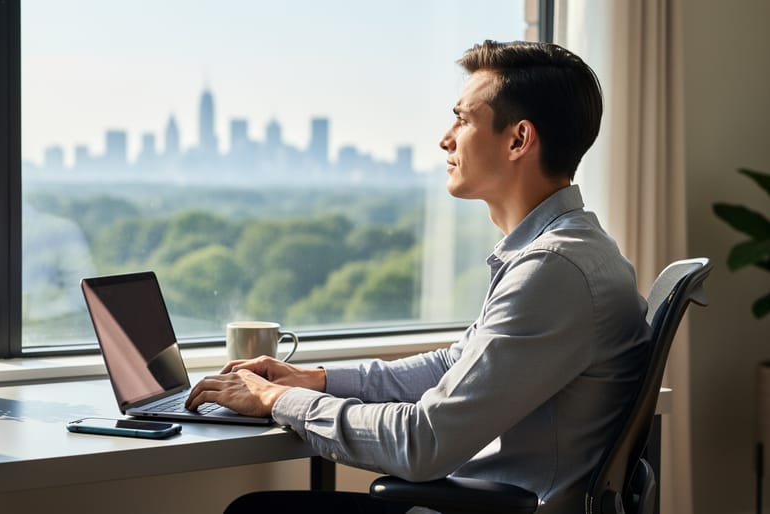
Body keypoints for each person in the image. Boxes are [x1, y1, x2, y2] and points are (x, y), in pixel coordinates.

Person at [186, 40, 650, 513]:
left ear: (518, 140)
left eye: (463, 120)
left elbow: (423, 443)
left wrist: (277, 399)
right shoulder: (569, 250)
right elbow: (456, 365)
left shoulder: (553, 270)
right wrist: (317, 379)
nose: (445, 139)